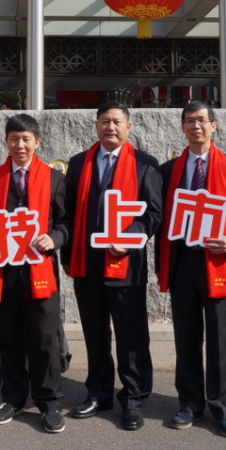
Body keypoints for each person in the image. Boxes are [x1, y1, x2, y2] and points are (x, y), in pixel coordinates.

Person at [60, 103, 162, 431]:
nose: (111, 127)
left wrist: (130, 239)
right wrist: (67, 258)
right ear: (96, 125)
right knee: (95, 333)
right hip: (87, 264)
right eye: (105, 121)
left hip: (125, 264)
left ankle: (133, 398)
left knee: (131, 335)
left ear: (128, 127)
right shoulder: (79, 163)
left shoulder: (145, 164)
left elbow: (153, 214)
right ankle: (99, 392)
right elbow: (68, 213)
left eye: (117, 122)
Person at [158, 101, 226, 438]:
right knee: (186, 338)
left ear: (213, 125)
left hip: (219, 262)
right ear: (182, 127)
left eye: (201, 120)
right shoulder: (169, 170)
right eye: (189, 121)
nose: (195, 126)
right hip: (182, 263)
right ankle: (190, 404)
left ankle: (225, 408)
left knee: (220, 340)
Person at [0, 114, 69, 434]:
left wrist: (54, 238)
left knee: (45, 340)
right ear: (6, 141)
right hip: (5, 273)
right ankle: (13, 398)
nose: (20, 145)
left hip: (40, 271)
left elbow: (66, 222)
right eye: (14, 139)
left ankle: (50, 403)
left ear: (37, 142)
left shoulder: (55, 179)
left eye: (26, 139)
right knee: (8, 339)